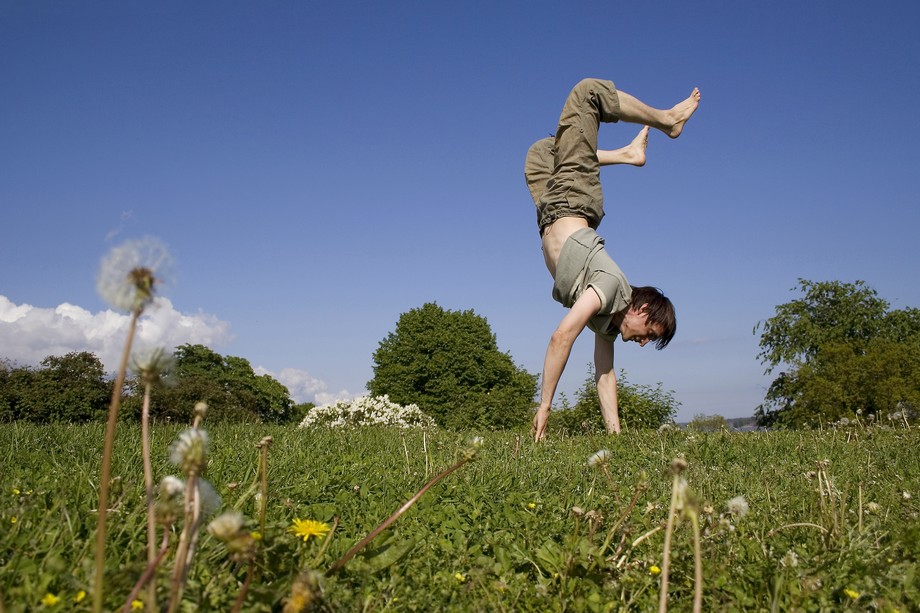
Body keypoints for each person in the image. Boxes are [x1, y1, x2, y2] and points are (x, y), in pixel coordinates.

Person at [525, 78, 700, 441]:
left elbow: (604, 375)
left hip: (549, 211)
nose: (642, 343)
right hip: (573, 200)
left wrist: (615, 438)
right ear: (642, 310)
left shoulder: (606, 325)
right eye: (648, 334)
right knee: (588, 92)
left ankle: (626, 155)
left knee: (542, 152)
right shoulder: (609, 286)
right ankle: (667, 121)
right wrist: (545, 405)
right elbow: (561, 337)